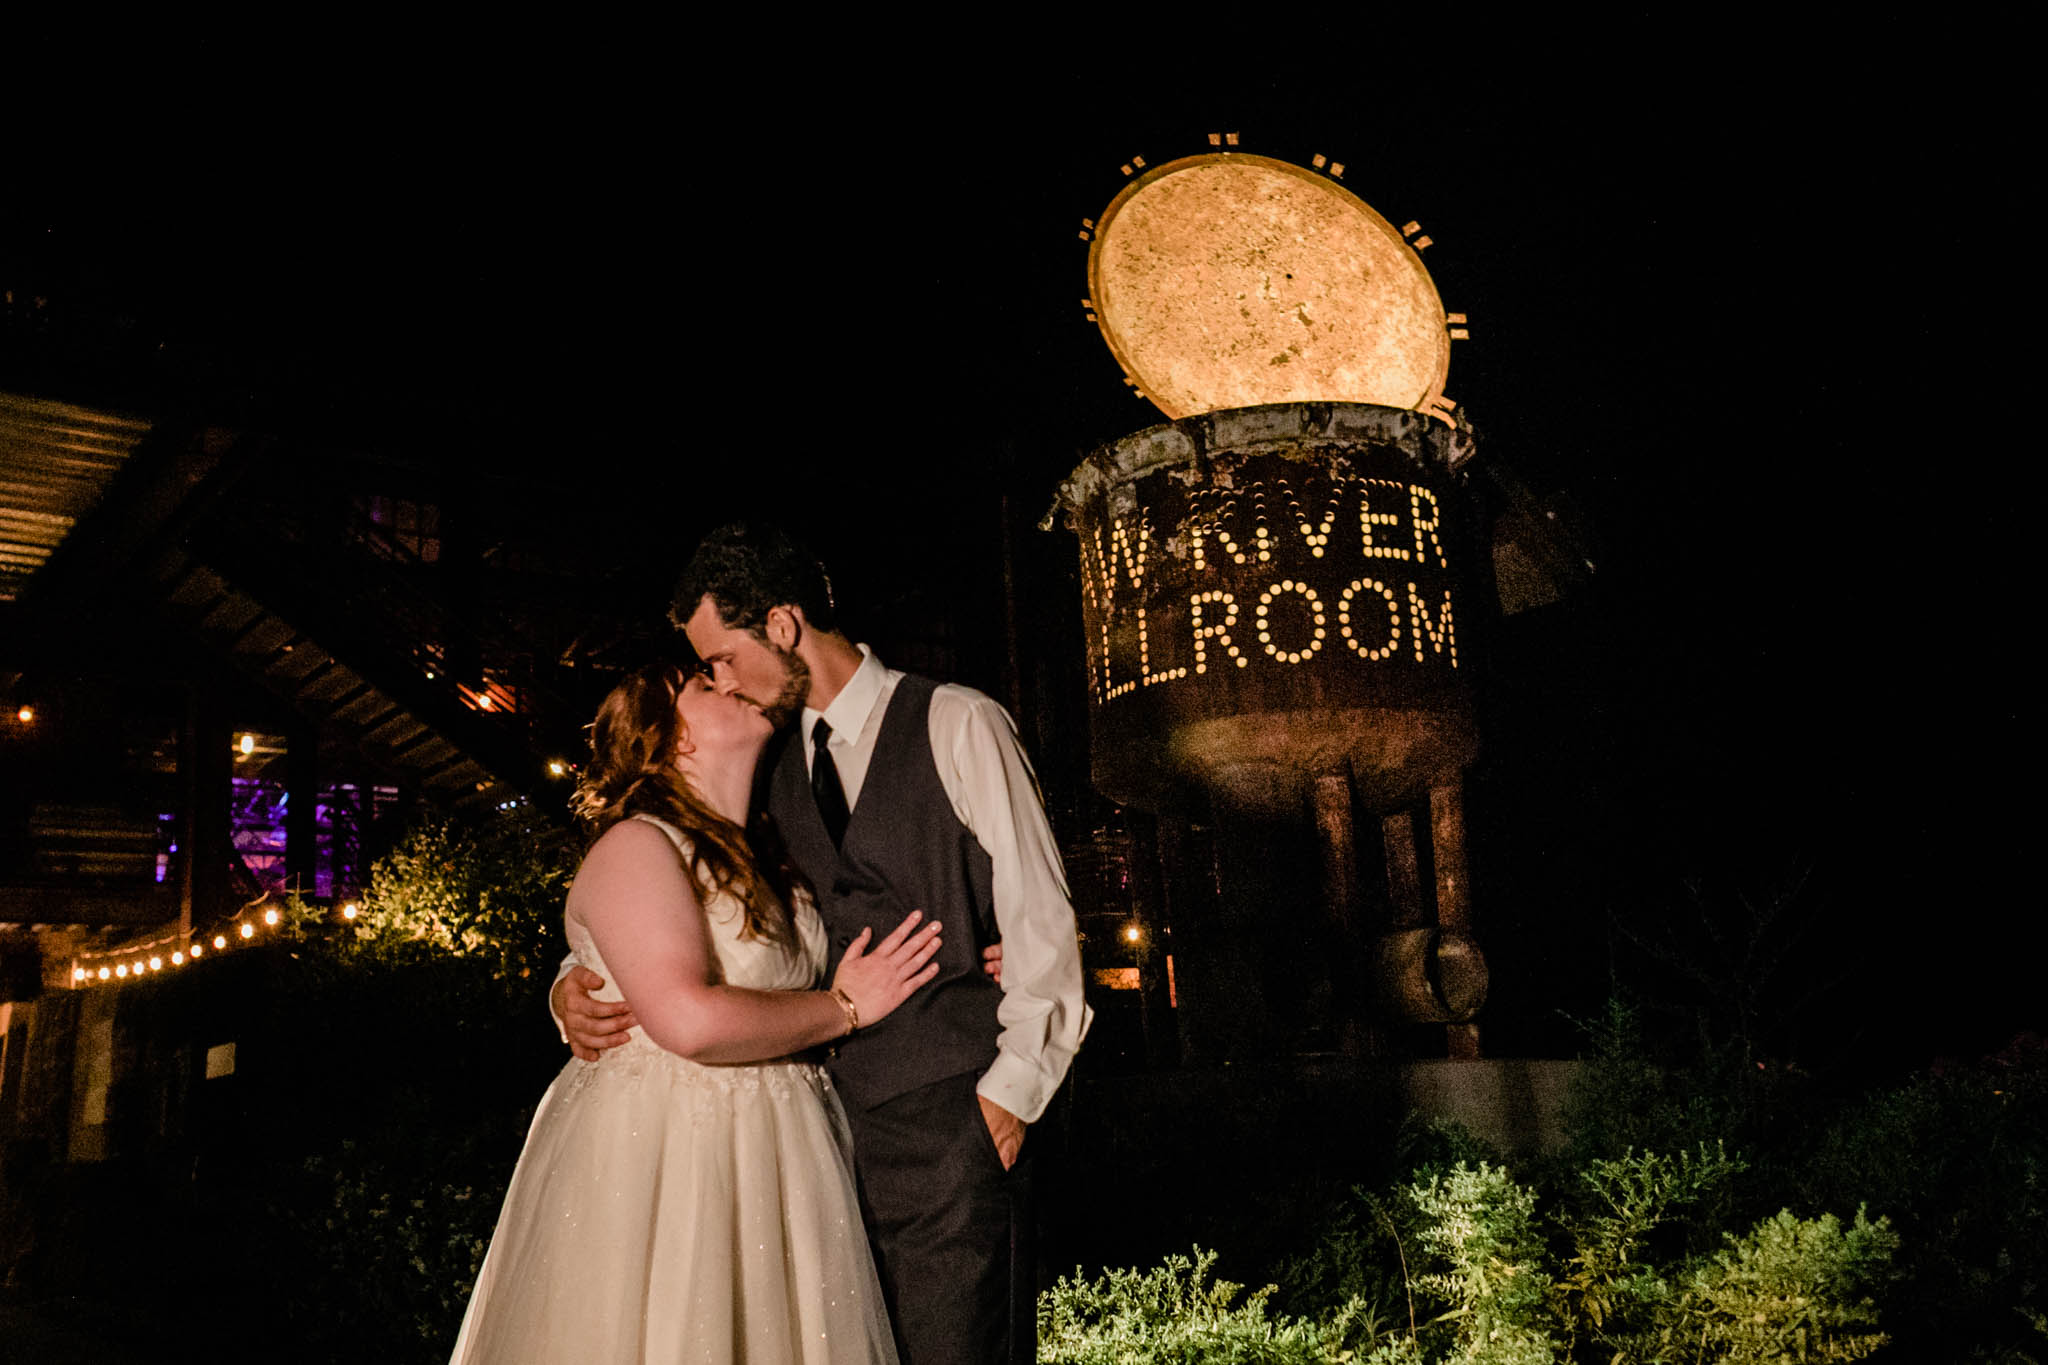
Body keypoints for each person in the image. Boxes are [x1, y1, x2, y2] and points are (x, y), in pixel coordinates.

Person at [559, 522, 1091, 1365]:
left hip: (952, 1132)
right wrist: (571, 982)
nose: (719, 681)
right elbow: (690, 910)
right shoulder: (761, 770)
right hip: (812, 1158)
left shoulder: (954, 720)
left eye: (722, 657)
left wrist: (1008, 1101)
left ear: (781, 624)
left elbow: (1041, 920)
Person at [452, 662, 945, 1364]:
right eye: (707, 687)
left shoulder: (778, 849)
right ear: (671, 740)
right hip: (670, 1157)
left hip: (782, 1153)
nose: (731, 682)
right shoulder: (638, 844)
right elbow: (686, 1017)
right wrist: (842, 1006)